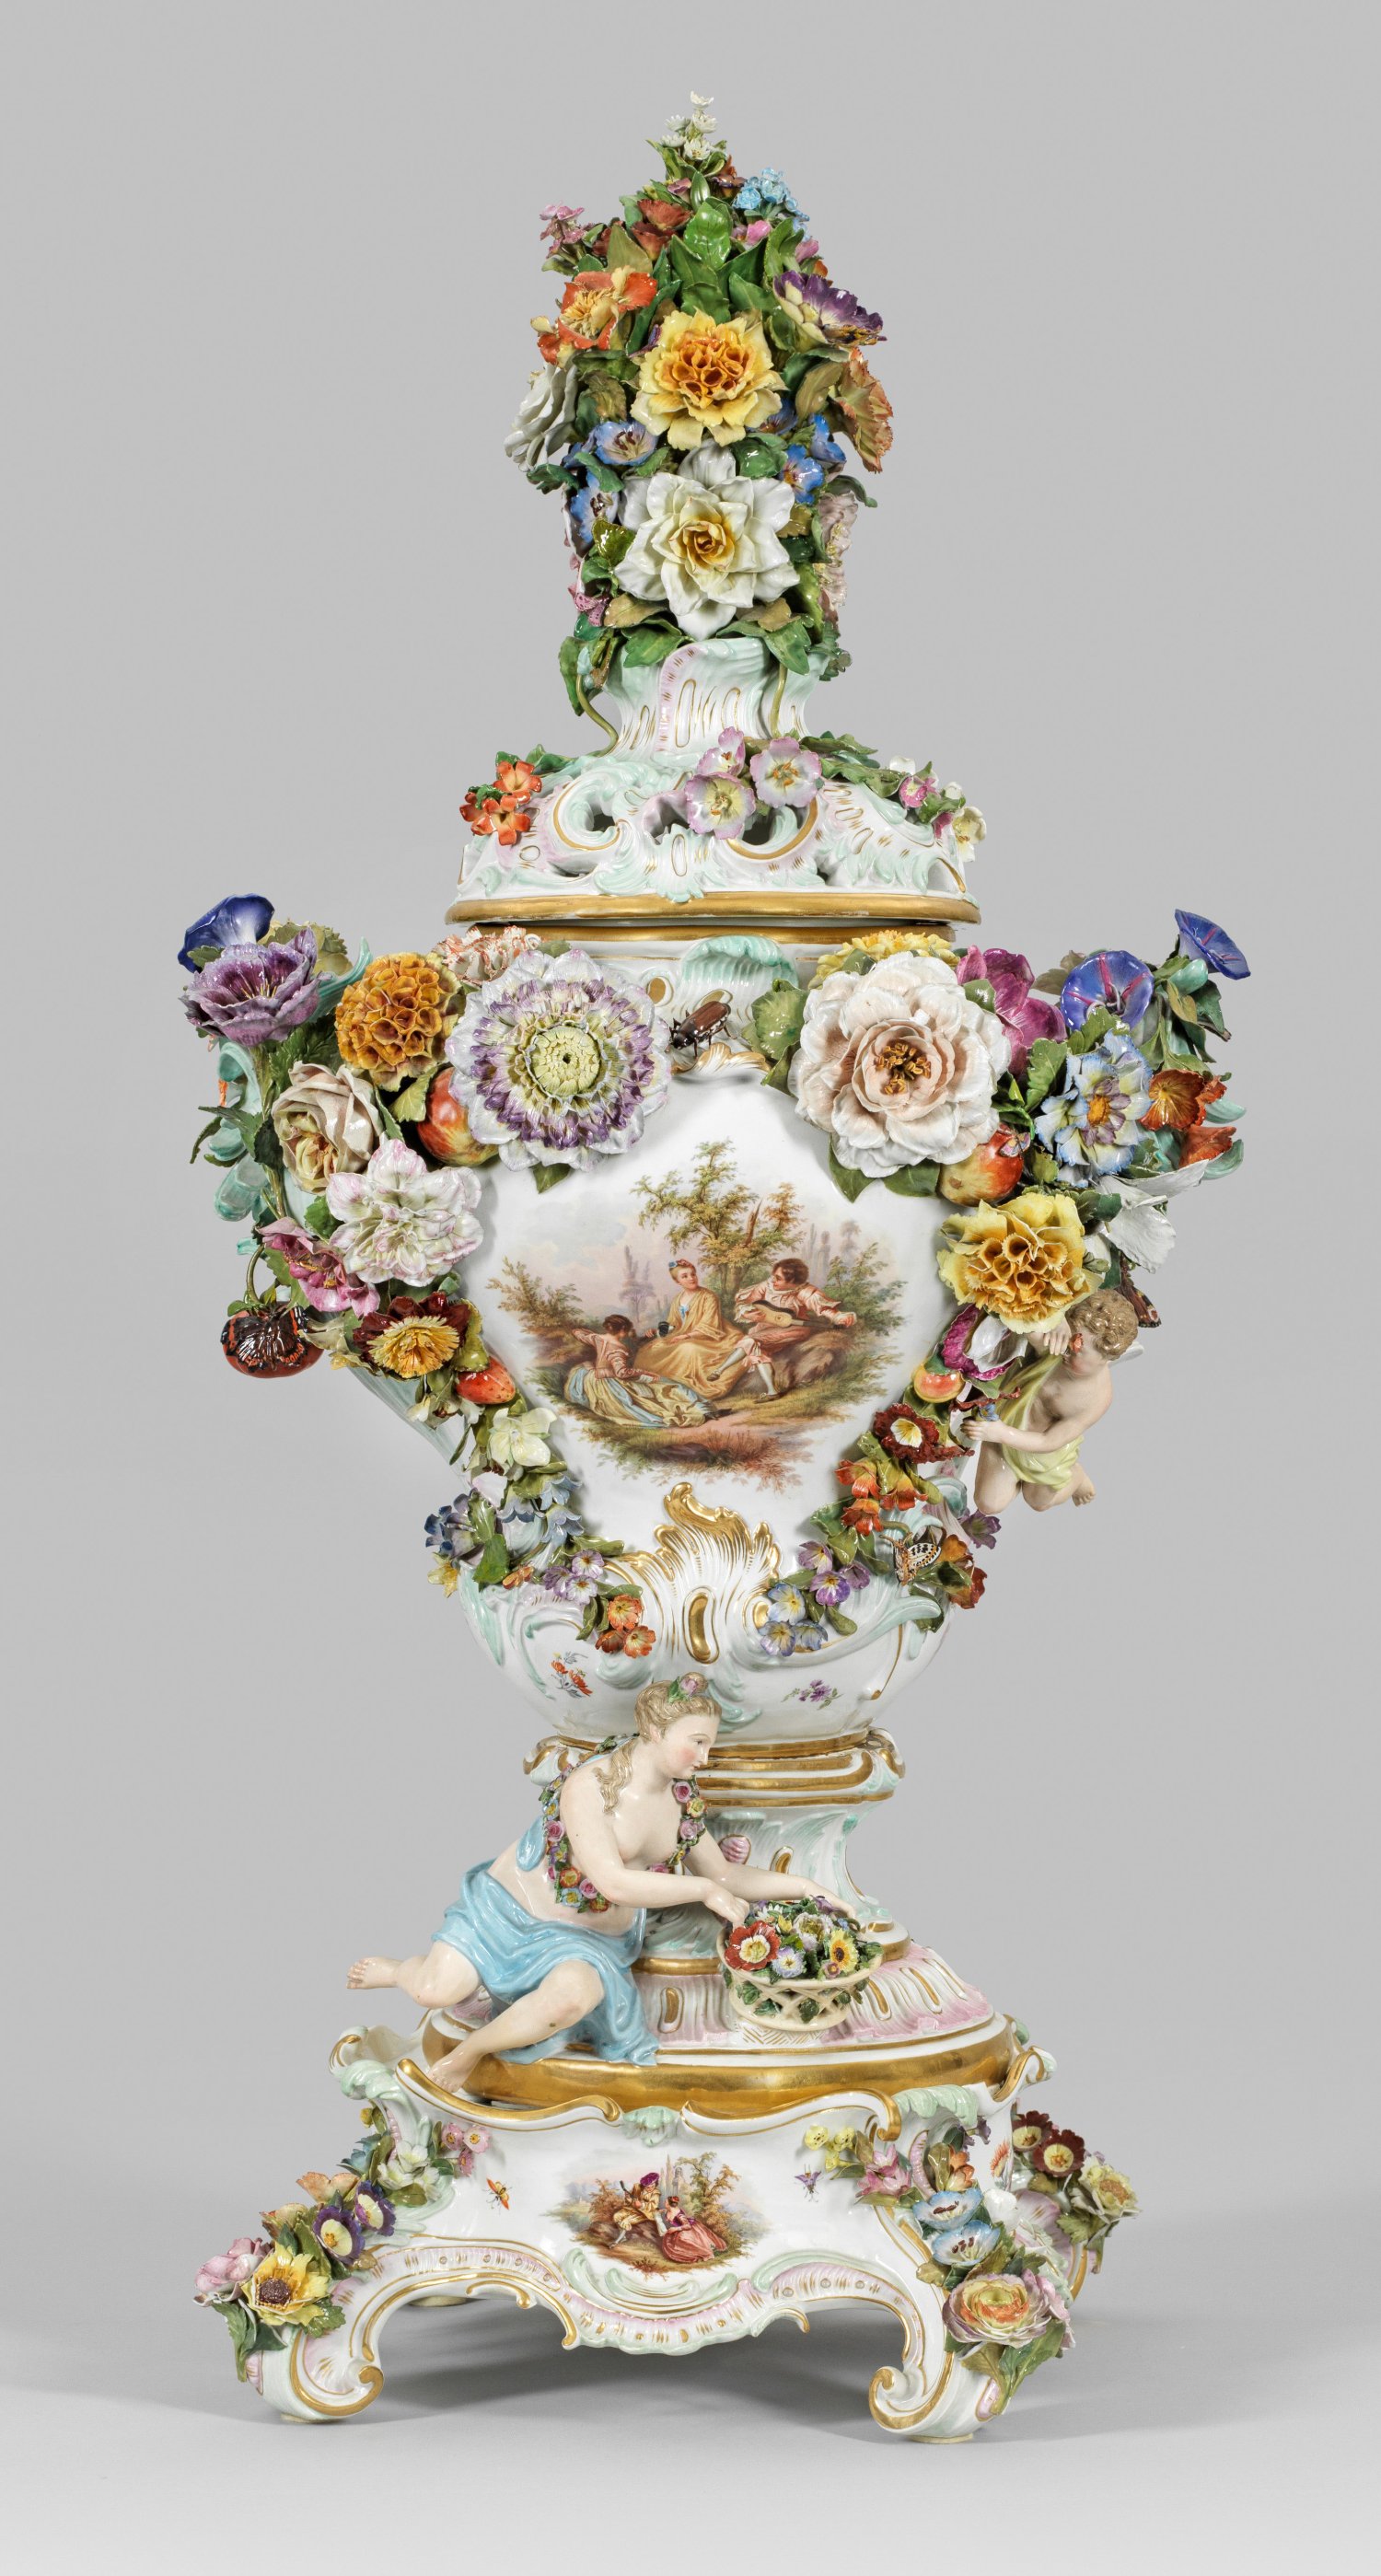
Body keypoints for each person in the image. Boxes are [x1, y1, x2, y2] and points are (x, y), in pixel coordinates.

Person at [347, 1676, 855, 2094]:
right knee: (435, 1991)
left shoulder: (680, 1799)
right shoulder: (590, 1785)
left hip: (588, 1940)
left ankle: (469, 2053)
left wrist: (805, 1887)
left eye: (710, 1744)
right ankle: (398, 1970)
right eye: (697, 1742)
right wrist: (702, 1892)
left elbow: (724, 1873)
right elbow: (611, 1881)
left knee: (573, 1998)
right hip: (512, 1911)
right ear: (654, 1729)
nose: (704, 1757)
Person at [968, 1289, 1138, 1514]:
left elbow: (1049, 1440)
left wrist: (1001, 1433)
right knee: (989, 1503)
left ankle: (1075, 1477)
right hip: (1007, 1424)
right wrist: (1056, 1319)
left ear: (1104, 1358)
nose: (1066, 1350)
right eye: (1069, 1338)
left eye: (1078, 1351)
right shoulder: (1058, 1344)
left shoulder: (1097, 1399)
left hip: (1044, 1452)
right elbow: (1022, 1317)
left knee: (1038, 1501)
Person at [634, 1260, 760, 1404]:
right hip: (683, 1335)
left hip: (713, 1337)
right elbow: (674, 1324)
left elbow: (710, 1324)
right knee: (653, 1349)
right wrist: (658, 1331)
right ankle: (668, 1384)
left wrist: (687, 1335)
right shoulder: (678, 1299)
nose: (691, 1278)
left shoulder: (709, 1296)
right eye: (685, 1276)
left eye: (693, 1274)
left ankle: (693, 1387)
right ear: (677, 1281)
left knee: (689, 1348)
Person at [734, 1258, 858, 1394]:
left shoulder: (804, 1291)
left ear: (793, 1281)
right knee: (750, 1344)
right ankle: (770, 1390)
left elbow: (823, 1308)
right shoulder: (767, 1286)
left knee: (751, 1343)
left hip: (793, 1329)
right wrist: (749, 1314)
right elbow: (746, 1303)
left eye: (778, 1278)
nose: (773, 1280)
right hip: (764, 1328)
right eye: (774, 1276)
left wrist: (838, 1316)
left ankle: (771, 1389)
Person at [563, 1313, 709, 1429]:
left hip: (590, 1378)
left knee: (657, 1386)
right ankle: (699, 1408)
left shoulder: (597, 1338)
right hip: (609, 1385)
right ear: (622, 1330)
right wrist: (643, 1373)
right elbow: (621, 1373)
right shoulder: (618, 1348)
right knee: (658, 1389)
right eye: (627, 1331)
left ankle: (700, 1407)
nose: (627, 1333)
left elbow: (577, 1332)